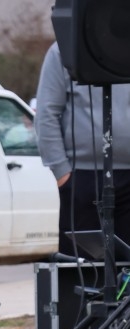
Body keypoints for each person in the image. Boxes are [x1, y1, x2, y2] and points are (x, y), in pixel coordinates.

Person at [34, 41, 130, 257]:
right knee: (82, 265)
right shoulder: (64, 48)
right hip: (82, 178)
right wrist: (62, 173)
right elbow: (47, 113)